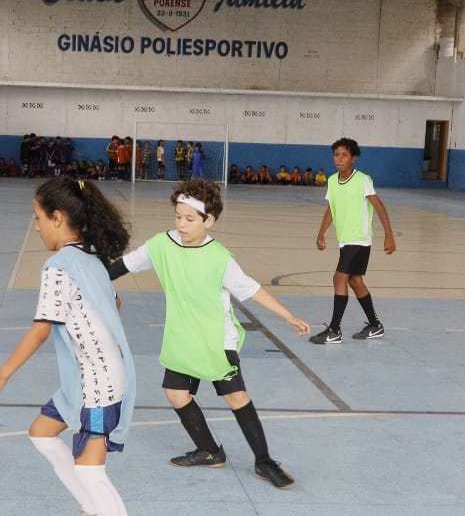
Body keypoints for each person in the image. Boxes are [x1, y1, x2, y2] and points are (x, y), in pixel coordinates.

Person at [0, 177, 154, 516]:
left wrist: (0, 375)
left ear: (58, 217)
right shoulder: (89, 256)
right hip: (90, 376)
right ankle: (92, 510)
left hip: (99, 384)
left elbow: (41, 328)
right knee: (41, 432)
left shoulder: (58, 267)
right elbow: (114, 302)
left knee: (90, 470)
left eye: (38, 218)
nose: (36, 226)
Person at [109, 179, 310, 489]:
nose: (181, 224)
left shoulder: (220, 257)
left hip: (216, 340)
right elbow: (122, 265)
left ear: (209, 221)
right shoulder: (161, 244)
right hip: (182, 338)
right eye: (178, 216)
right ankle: (209, 451)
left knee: (236, 396)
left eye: (190, 219)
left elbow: (252, 289)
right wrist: (88, 275)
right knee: (176, 394)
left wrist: (288, 315)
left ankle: (264, 461)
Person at [310, 138, 396, 344]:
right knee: (355, 281)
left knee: (339, 278)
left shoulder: (362, 180)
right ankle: (375, 325)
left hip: (359, 239)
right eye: (336, 155)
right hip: (345, 239)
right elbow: (331, 209)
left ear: (353, 158)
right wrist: (321, 232)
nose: (339, 159)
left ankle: (334, 330)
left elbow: (379, 206)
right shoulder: (332, 181)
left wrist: (389, 235)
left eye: (344, 155)